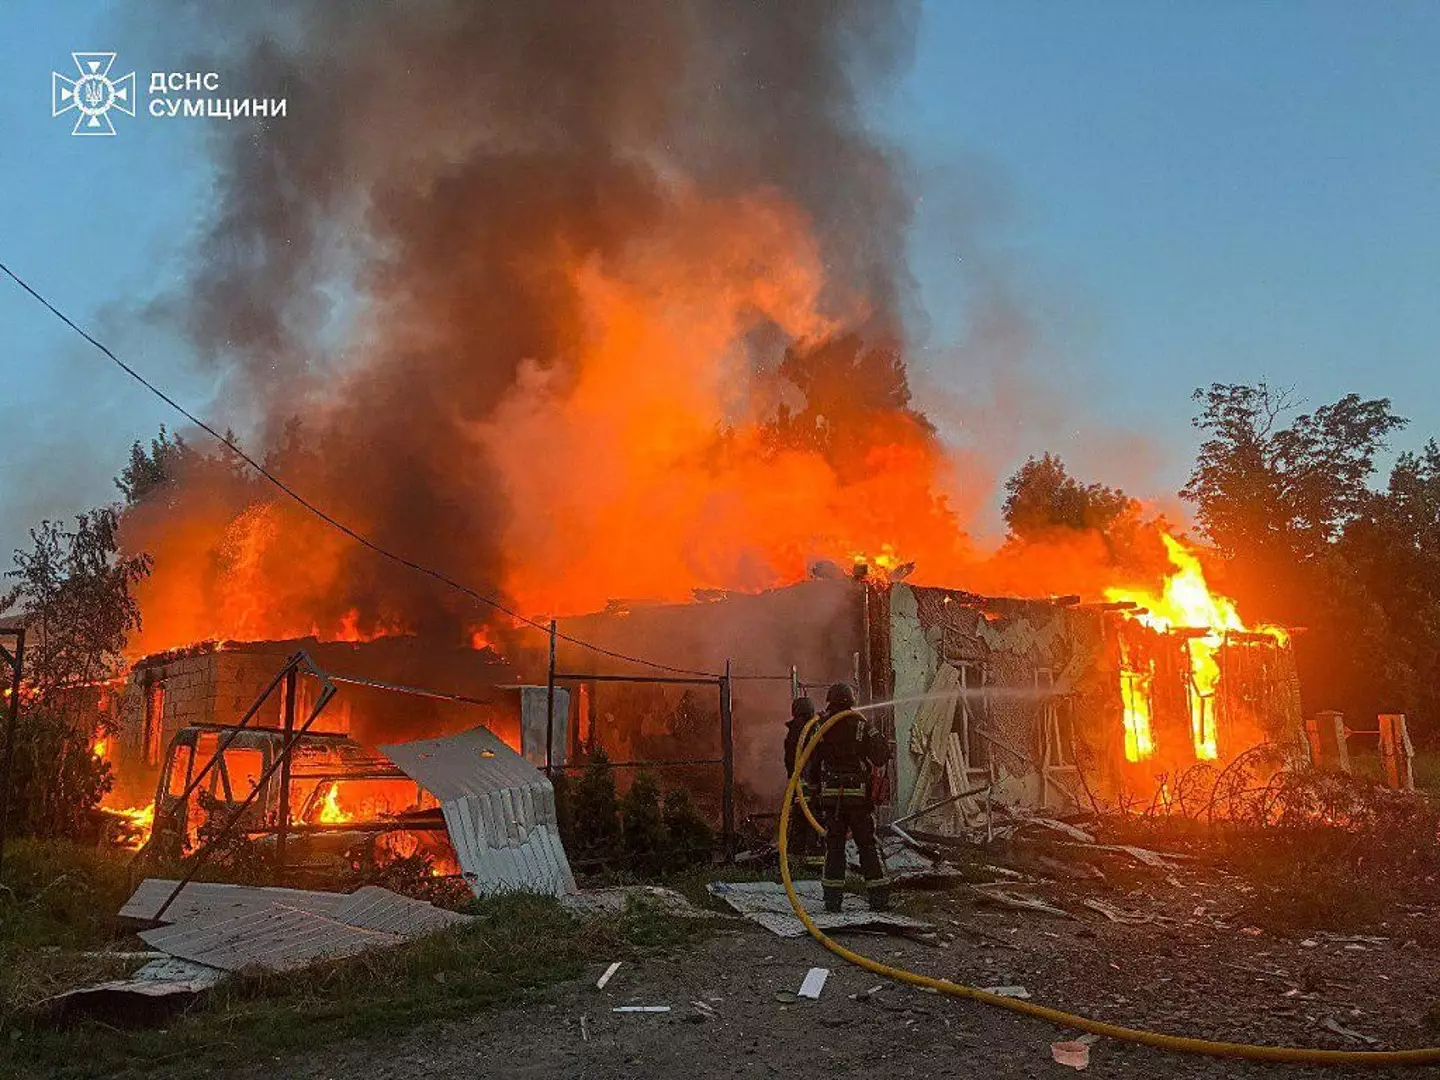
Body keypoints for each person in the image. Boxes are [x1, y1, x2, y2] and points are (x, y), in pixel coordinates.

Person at [812, 682, 889, 912]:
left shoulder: (822, 726)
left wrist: (815, 792)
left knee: (834, 848)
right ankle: (878, 899)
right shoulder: (861, 725)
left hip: (831, 798)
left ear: (830, 701)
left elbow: (812, 762)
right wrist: (877, 736)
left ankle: (832, 901)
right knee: (866, 845)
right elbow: (880, 757)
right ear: (851, 701)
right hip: (858, 798)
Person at [782, 695, 824, 872]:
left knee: (798, 824)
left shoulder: (793, 732)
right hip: (812, 788)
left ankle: (793, 864)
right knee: (814, 825)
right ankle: (815, 865)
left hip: (798, 787)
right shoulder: (813, 729)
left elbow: (789, 762)